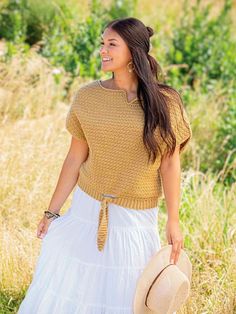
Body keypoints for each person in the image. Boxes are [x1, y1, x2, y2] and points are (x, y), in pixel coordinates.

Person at [17, 17, 192, 314]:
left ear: (133, 52)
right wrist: (52, 210)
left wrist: (173, 220)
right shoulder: (88, 96)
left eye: (112, 44)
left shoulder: (166, 102)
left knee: (126, 295)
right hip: (87, 210)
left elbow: (170, 164)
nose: (103, 50)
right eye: (102, 43)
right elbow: (75, 158)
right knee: (76, 289)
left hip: (135, 220)